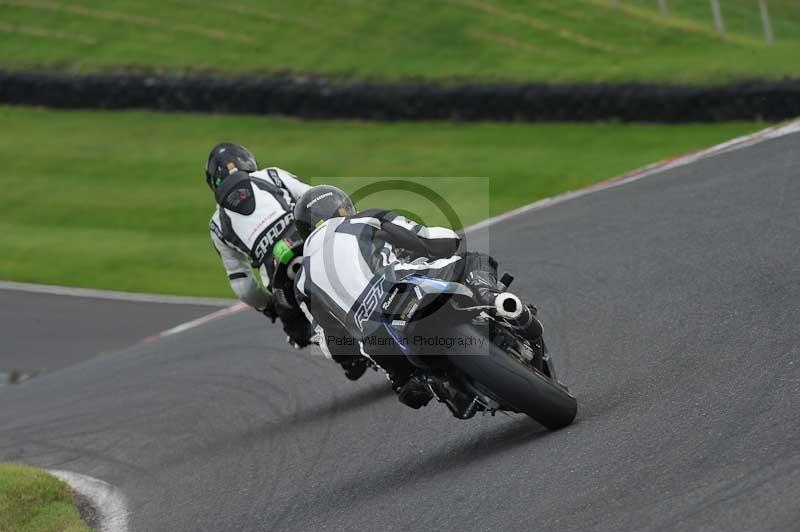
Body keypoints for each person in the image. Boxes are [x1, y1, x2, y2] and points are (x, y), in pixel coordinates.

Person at [293, 185, 543, 409]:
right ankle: (493, 299)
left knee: (409, 384)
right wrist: (450, 242)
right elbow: (430, 241)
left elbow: (331, 343)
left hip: (378, 340)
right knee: (474, 260)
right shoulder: (365, 219)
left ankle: (432, 384)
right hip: (404, 288)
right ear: (343, 208)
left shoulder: (302, 281)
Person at [205, 142, 314, 348]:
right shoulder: (271, 175)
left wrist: (268, 306)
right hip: (311, 244)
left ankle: (344, 353)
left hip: (278, 279)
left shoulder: (217, 224)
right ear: (247, 162)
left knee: (300, 333)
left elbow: (244, 288)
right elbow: (315, 197)